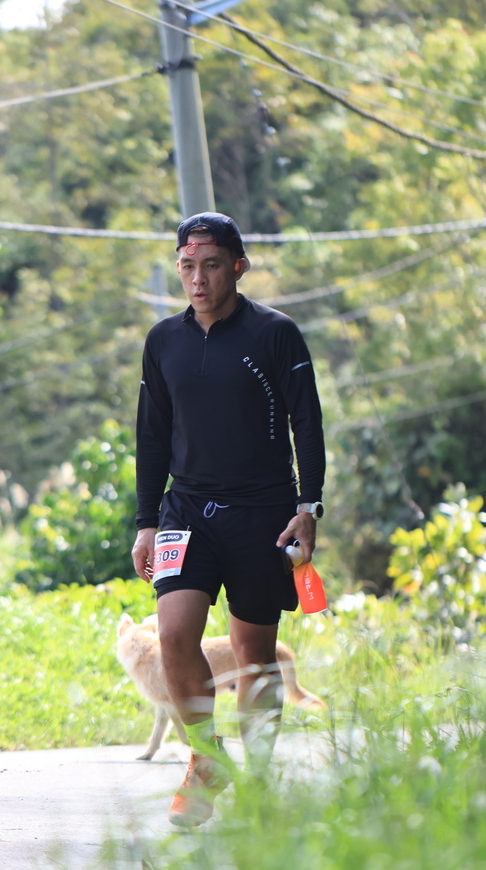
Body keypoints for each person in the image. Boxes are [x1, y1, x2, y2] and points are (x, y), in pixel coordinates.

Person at [131, 211, 326, 827]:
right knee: (173, 634)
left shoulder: (275, 334)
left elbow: (307, 423)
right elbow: (151, 434)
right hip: (186, 509)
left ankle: (260, 784)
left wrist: (308, 508)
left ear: (238, 267)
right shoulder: (164, 340)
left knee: (253, 653)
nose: (198, 278)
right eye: (187, 266)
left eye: (211, 265)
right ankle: (206, 758)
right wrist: (145, 522)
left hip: (262, 511)